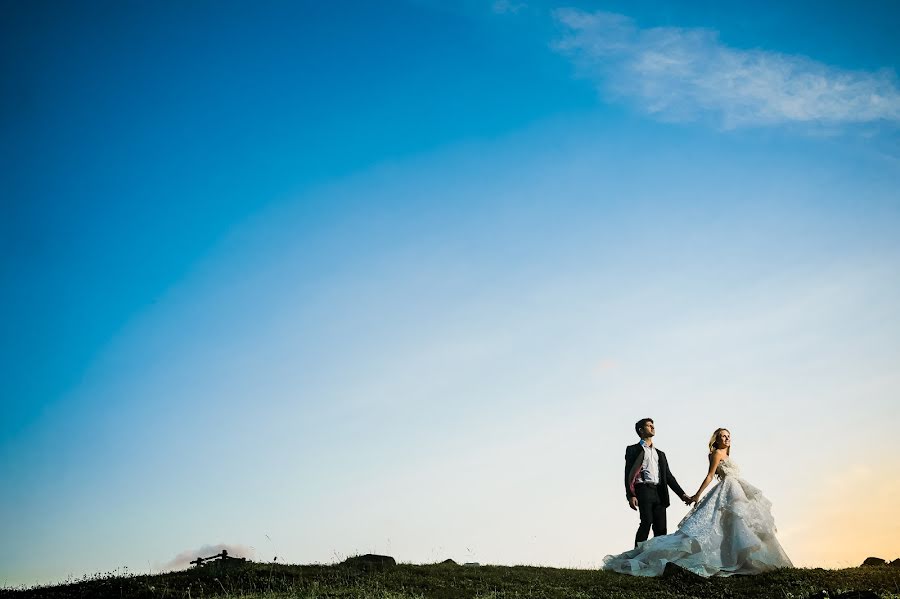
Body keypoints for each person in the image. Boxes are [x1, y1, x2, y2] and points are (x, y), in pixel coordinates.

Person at [603, 427, 794, 577]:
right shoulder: (717, 454)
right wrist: (696, 495)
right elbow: (710, 476)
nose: (726, 438)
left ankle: (742, 559)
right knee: (650, 523)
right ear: (716, 439)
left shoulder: (727, 454)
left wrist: (686, 495)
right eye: (722, 436)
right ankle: (643, 553)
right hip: (723, 489)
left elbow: (670, 476)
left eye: (728, 436)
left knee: (737, 524)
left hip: (736, 489)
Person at [624, 418, 692, 547]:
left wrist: (682, 495)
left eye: (653, 425)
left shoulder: (660, 454)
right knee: (646, 522)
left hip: (659, 492)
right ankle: (636, 554)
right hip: (643, 490)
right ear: (641, 430)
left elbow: (668, 476)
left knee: (661, 528)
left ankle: (658, 558)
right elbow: (628, 473)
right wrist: (630, 495)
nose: (652, 427)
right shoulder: (632, 449)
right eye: (649, 426)